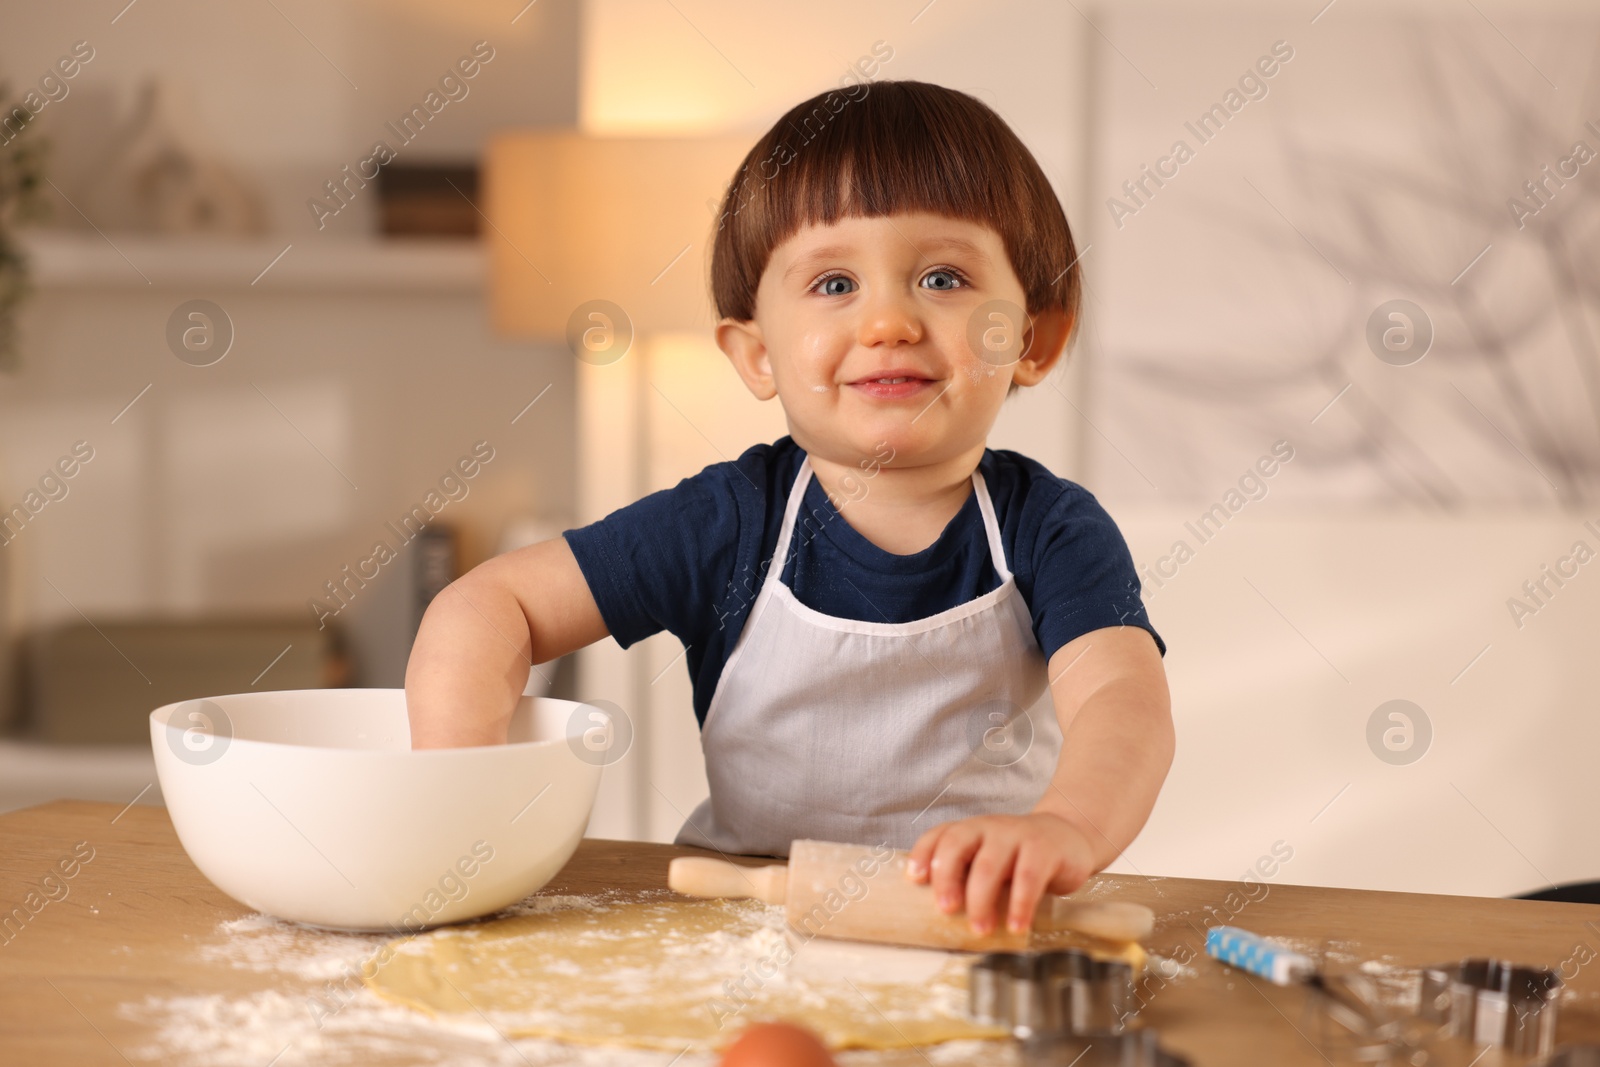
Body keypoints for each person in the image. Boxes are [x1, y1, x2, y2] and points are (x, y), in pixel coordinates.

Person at [406, 80, 1174, 938]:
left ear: (1035, 339)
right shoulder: (730, 521)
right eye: (836, 281)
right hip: (740, 929)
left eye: (943, 276)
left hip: (967, 930)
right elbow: (489, 603)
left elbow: (1122, 702)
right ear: (756, 352)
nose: (888, 319)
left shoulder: (1050, 531)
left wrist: (1064, 826)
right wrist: (455, 792)